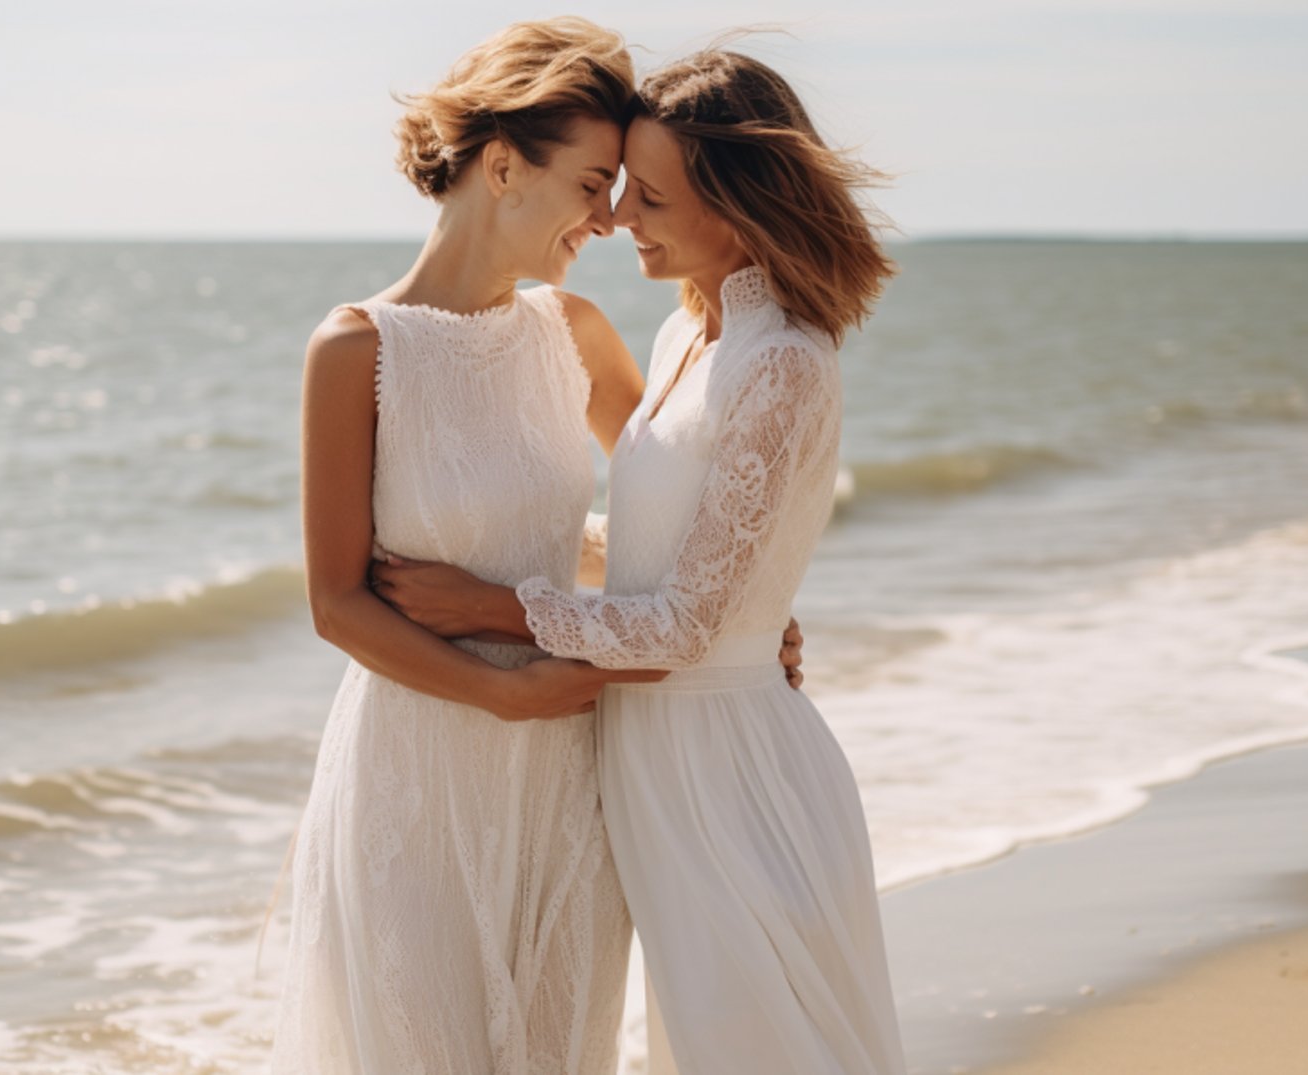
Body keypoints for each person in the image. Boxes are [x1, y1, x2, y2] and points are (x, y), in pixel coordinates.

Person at [270, 18, 804, 1073]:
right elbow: (339, 604)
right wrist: (502, 692)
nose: (609, 220)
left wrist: (747, 615)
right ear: (503, 166)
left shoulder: (576, 333)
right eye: (592, 184)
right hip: (416, 775)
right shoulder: (356, 350)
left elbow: (671, 515)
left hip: (570, 770)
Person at [373, 47, 908, 1074]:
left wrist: (490, 604)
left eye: (651, 196)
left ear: (738, 203)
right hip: (657, 760)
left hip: (730, 773)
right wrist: (484, 537)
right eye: (618, 190)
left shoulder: (786, 359)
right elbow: (667, 558)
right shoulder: (683, 339)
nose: (619, 219)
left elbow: (681, 627)